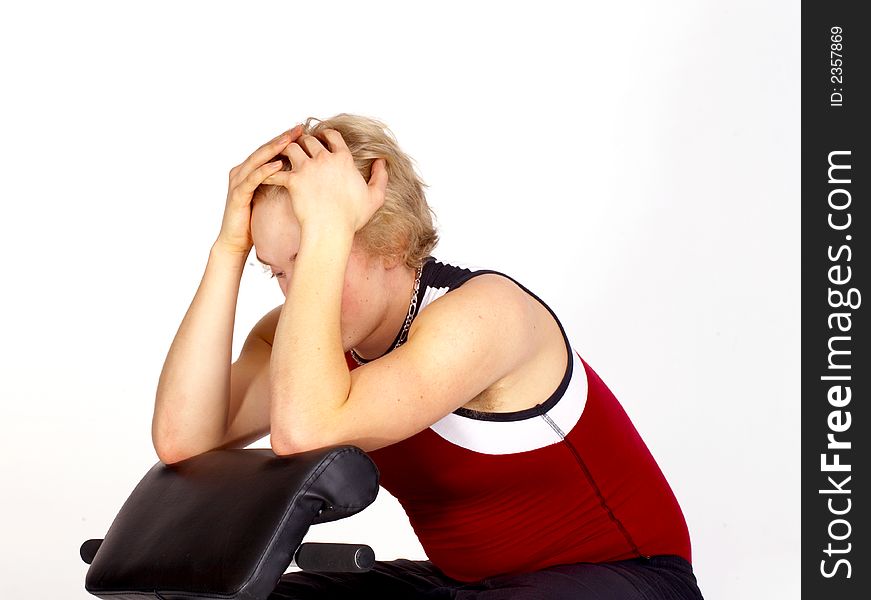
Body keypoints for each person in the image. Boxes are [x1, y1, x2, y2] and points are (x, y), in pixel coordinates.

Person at [152, 113, 705, 599]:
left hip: (628, 579)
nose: (297, 292)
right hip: (467, 584)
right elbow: (184, 440)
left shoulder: (483, 315)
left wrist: (326, 225)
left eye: (318, 251)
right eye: (278, 269)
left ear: (392, 241)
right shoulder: (303, 349)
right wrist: (228, 248)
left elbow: (305, 432)